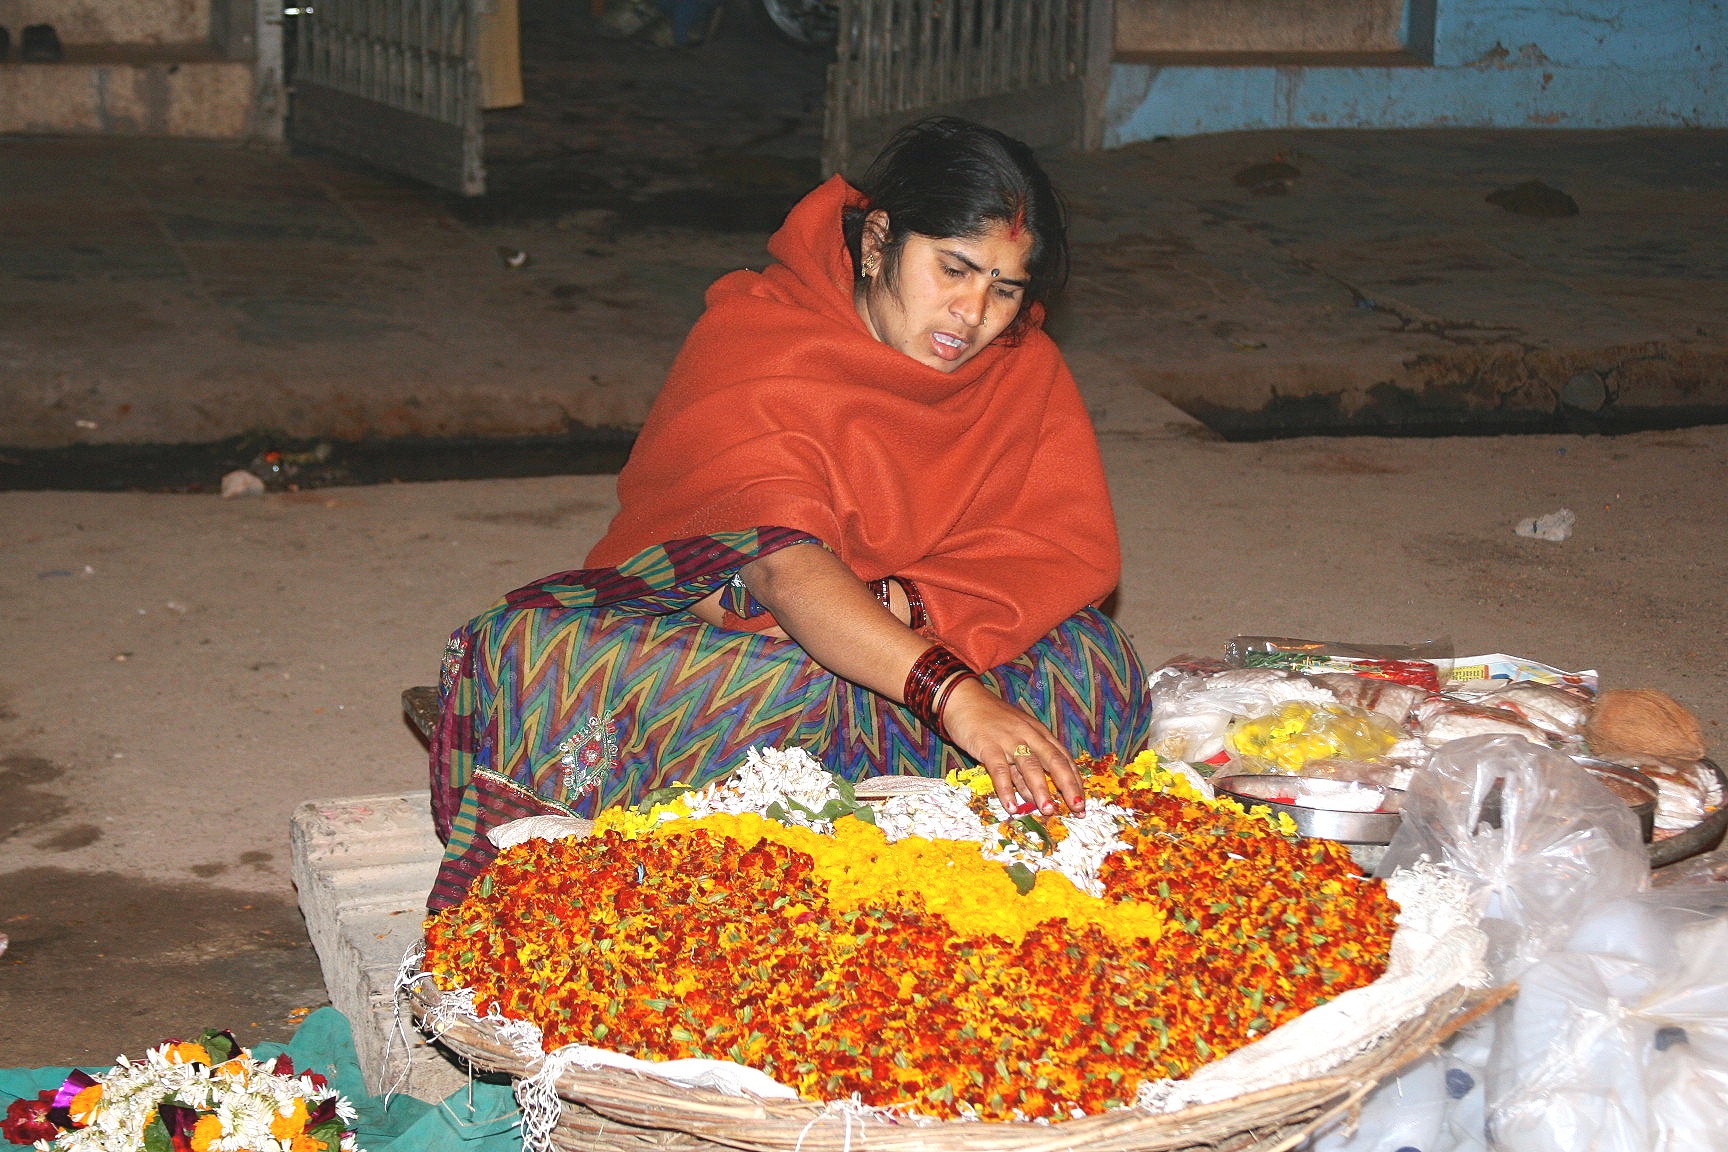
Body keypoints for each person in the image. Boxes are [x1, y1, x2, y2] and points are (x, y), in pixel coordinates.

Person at [427, 116, 1152, 910]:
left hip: (926, 633)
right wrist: (955, 697)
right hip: (752, 653)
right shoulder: (766, 336)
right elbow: (775, 567)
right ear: (878, 242)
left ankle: (872, 811)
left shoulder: (1018, 369)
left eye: (1005, 287)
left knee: (1095, 665)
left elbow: (1049, 548)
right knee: (579, 667)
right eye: (953, 268)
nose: (972, 313)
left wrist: (898, 607)